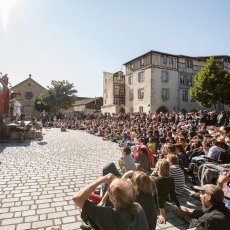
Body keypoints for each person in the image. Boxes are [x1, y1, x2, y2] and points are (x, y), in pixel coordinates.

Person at [73, 173, 149, 230]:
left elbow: (77, 198)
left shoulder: (108, 216)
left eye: (108, 190)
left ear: (113, 199)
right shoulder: (138, 208)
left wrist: (101, 180)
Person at [153, 159, 184, 224]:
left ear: (159, 169)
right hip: (164, 198)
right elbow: (173, 194)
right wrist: (179, 207)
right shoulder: (171, 178)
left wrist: (162, 213)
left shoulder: (157, 180)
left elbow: (159, 197)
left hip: (155, 199)